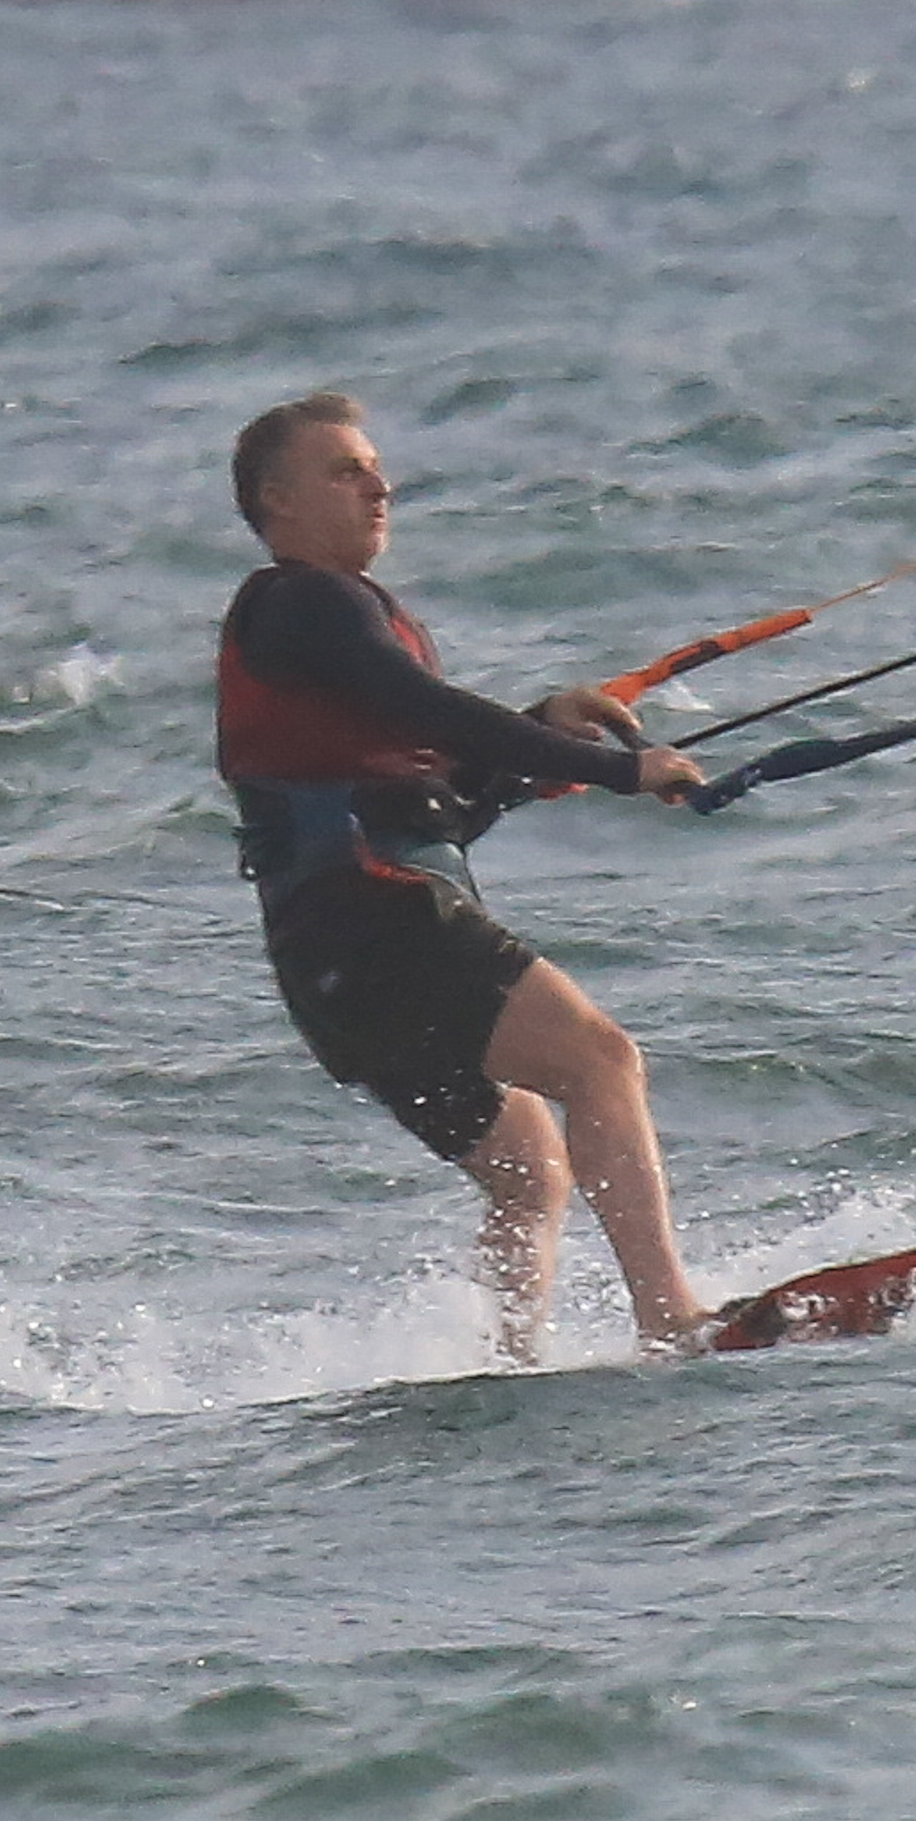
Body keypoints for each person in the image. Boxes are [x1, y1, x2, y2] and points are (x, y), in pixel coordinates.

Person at [217, 391, 709, 1362]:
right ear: (276, 499)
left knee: (531, 1170)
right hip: (375, 918)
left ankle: (508, 1361)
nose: (379, 484)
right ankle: (672, 1319)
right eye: (345, 469)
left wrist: (544, 739)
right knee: (601, 1060)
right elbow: (424, 707)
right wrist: (623, 768)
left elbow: (434, 792)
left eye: (375, 466)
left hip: (332, 967)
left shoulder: (325, 634)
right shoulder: (303, 601)